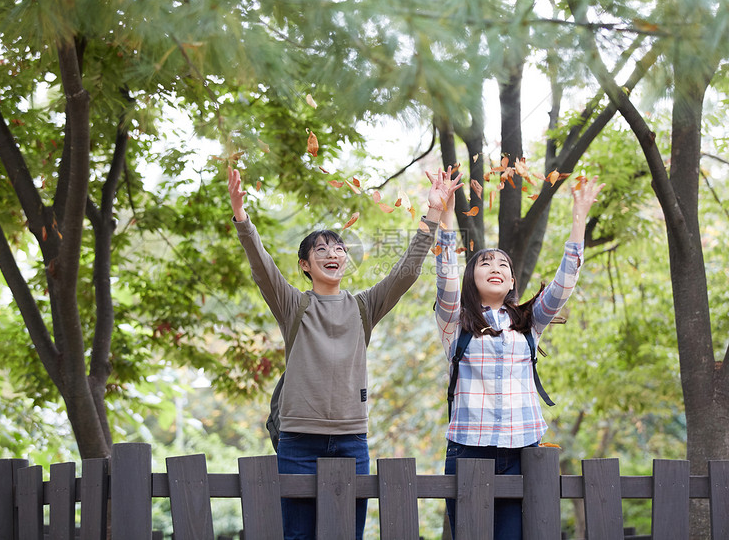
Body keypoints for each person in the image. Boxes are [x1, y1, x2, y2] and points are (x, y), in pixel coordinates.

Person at [227, 165, 462, 540]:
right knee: (299, 537)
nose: (333, 253)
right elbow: (262, 269)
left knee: (346, 536)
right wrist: (242, 216)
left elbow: (405, 272)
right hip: (299, 438)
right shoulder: (293, 306)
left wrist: (433, 211)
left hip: (352, 439)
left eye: (338, 248)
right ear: (305, 265)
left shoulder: (363, 306)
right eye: (321, 249)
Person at [434, 175, 604, 539]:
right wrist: (445, 217)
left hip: (523, 452)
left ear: (512, 281)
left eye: (503, 266)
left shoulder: (528, 322)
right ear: (471, 277)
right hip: (469, 450)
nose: (495, 268)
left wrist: (579, 219)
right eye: (485, 264)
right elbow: (445, 276)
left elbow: (563, 285)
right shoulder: (454, 322)